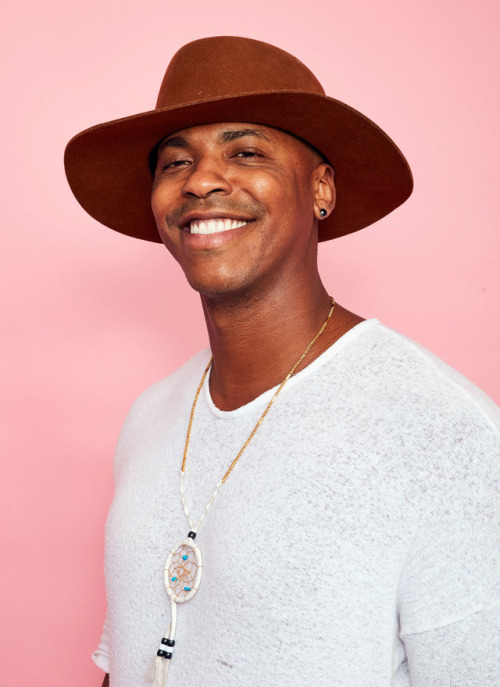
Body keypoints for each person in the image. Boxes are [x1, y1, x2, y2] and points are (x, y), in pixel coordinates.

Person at [65, 37, 499, 687]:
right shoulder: (151, 415)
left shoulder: (444, 433)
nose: (202, 179)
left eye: (245, 151)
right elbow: (137, 653)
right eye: (175, 161)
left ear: (321, 187)